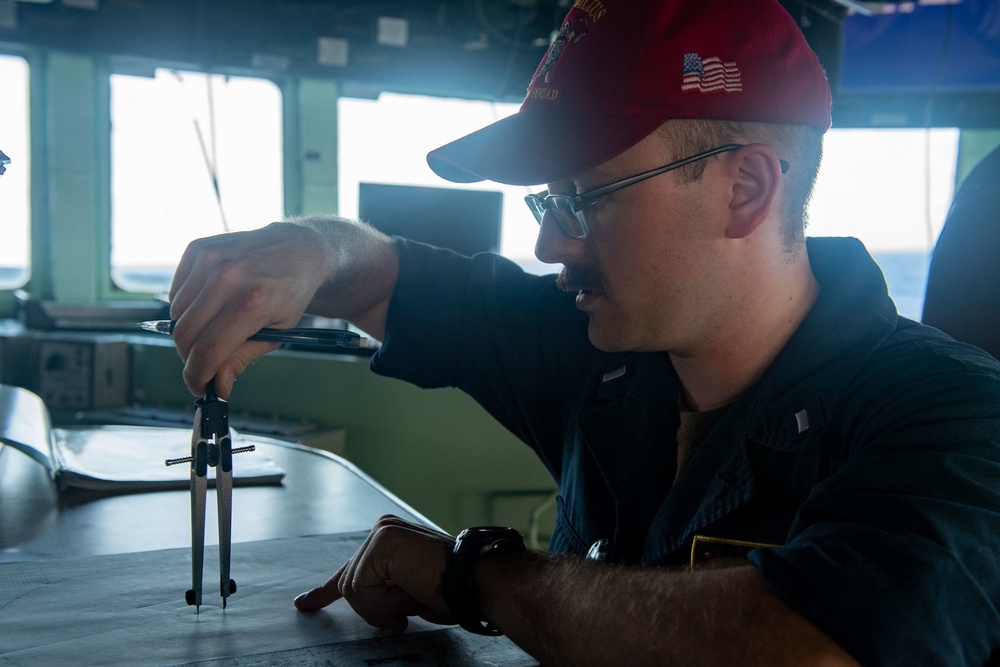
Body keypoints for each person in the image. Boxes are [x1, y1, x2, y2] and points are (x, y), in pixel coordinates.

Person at [167, 1, 1000, 665]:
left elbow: (813, 648)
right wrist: (312, 252)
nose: (548, 245)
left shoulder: (956, 415)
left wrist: (479, 575)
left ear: (744, 188)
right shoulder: (600, 348)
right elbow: (386, 275)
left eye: (585, 198)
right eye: (546, 200)